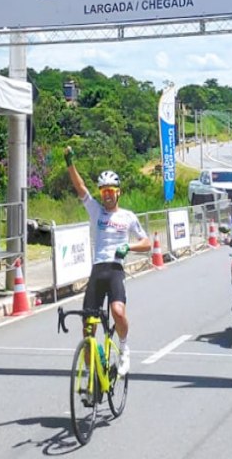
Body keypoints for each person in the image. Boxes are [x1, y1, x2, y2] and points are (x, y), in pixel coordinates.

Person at [64, 146, 151, 376]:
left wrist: (128, 246)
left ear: (118, 192)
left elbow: (147, 243)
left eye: (110, 191)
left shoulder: (128, 216)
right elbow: (80, 187)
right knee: (87, 329)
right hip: (97, 270)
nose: (107, 195)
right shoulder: (95, 211)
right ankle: (94, 380)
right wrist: (69, 163)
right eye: (103, 192)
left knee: (117, 311)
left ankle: (123, 349)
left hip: (115, 270)